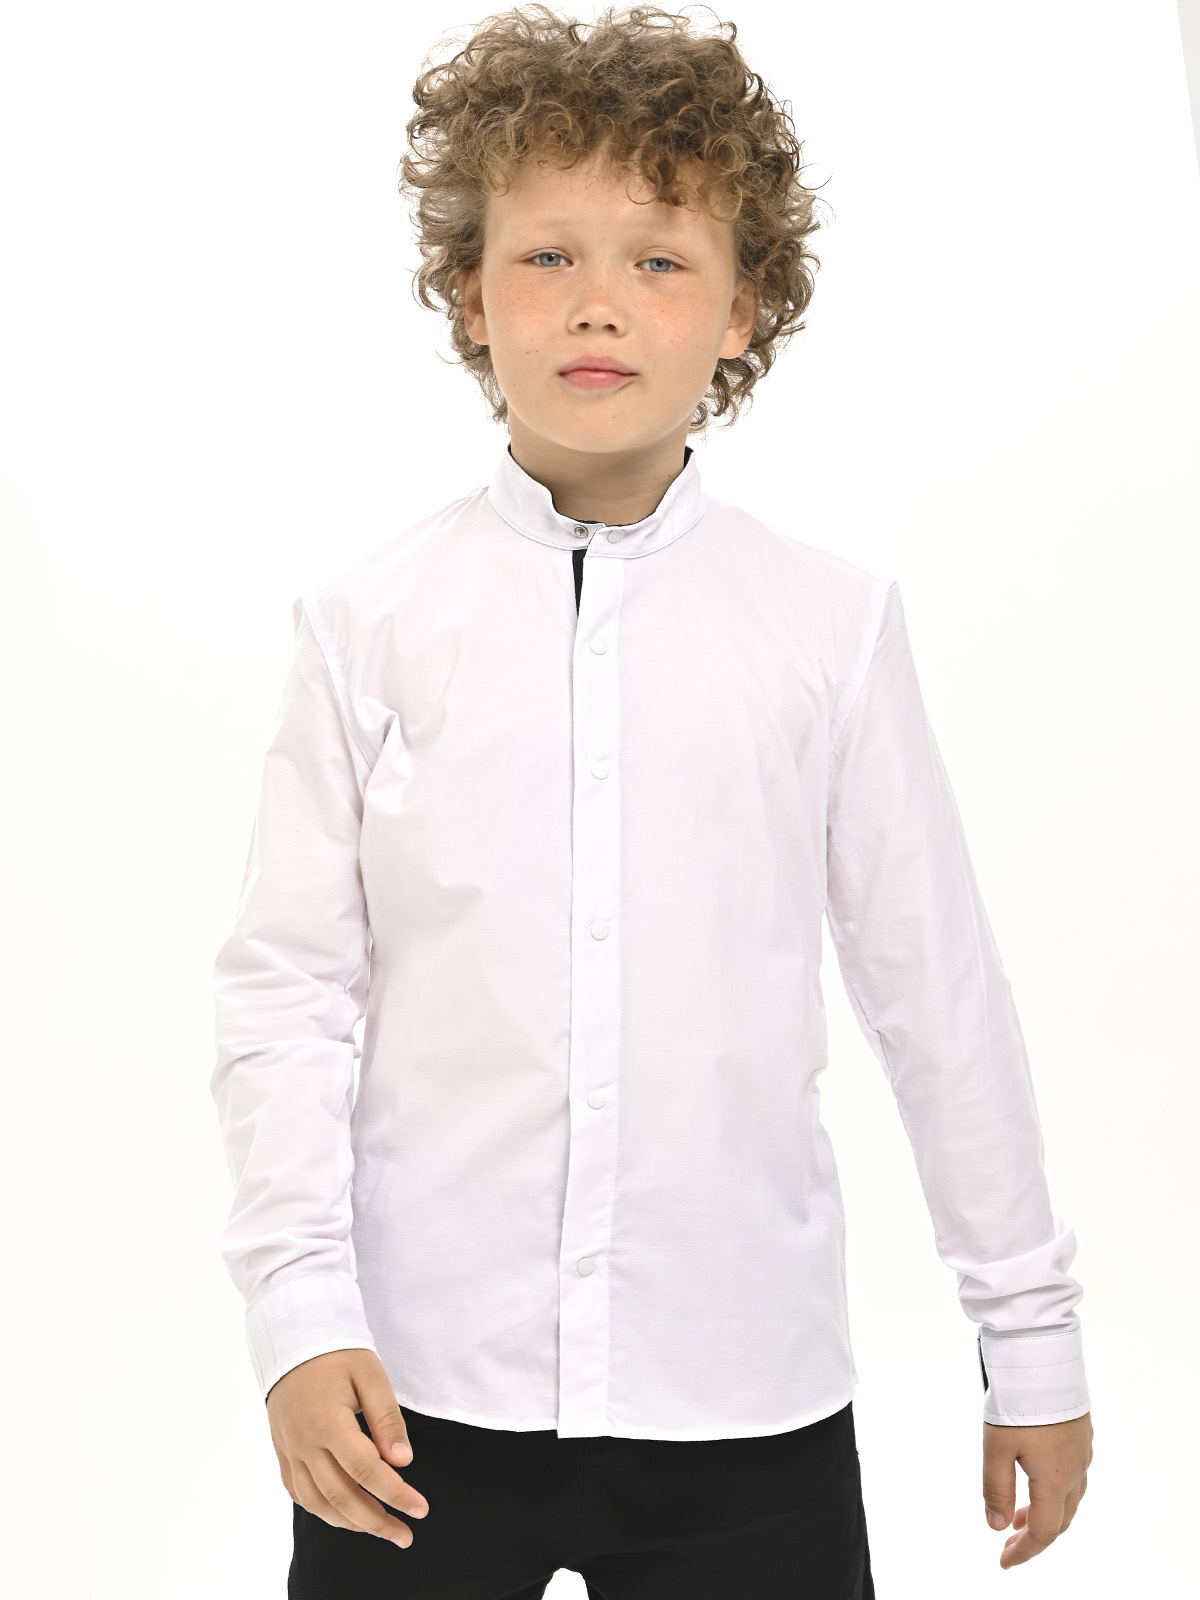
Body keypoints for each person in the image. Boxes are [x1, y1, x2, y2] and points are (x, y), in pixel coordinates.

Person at [210, 6, 1093, 1595]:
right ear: (470, 294)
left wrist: (1028, 1337)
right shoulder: (367, 625)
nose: (598, 301)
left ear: (744, 306)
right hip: (410, 1390)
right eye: (545, 255)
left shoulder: (829, 625)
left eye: (661, 259)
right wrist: (297, 1315)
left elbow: (936, 992)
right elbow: (287, 993)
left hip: (743, 1395)